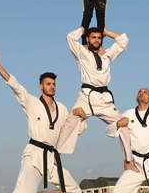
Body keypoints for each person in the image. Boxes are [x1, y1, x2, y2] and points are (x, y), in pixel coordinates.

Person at [0, 46, 86, 193]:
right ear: (41, 86)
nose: (52, 86)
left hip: (52, 157)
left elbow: (69, 130)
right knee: (24, 191)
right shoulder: (32, 103)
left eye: (53, 84)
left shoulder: (61, 108)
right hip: (34, 153)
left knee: (74, 188)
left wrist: (80, 116)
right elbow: (15, 86)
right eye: (48, 84)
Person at [56, 26, 136, 171]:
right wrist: (82, 29)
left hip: (105, 99)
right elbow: (70, 38)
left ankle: (127, 161)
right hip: (87, 95)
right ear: (87, 39)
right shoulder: (81, 53)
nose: (96, 40)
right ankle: (58, 153)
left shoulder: (107, 56)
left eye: (99, 38)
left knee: (123, 125)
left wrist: (107, 32)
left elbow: (124, 42)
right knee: (72, 119)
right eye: (93, 37)